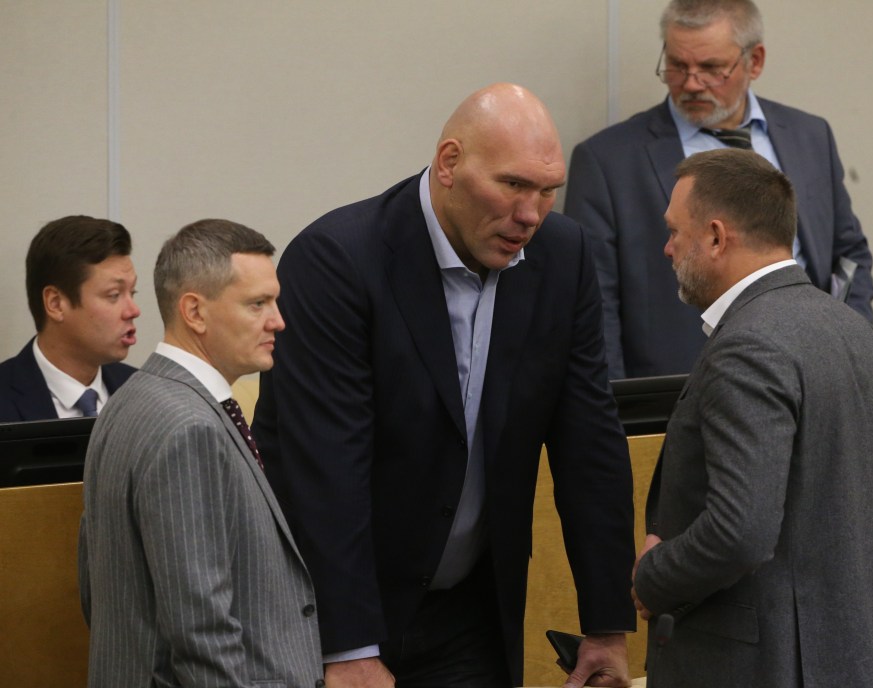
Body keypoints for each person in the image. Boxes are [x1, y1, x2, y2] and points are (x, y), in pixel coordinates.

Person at [253, 83, 636, 688]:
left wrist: (607, 624)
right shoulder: (337, 261)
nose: (531, 215)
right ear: (450, 163)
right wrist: (348, 645)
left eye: (546, 190)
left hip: (468, 613)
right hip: (336, 615)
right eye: (513, 185)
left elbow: (590, 445)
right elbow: (327, 470)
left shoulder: (564, 259)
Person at [632, 149, 873, 687]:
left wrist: (652, 577)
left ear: (714, 236)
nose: (667, 247)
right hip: (850, 659)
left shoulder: (747, 346)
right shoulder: (858, 335)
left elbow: (741, 531)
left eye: (674, 232)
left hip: (755, 667)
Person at [563, 0, 873, 379]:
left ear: (754, 61)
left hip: (813, 375)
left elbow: (849, 255)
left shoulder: (811, 136)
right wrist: (617, 409)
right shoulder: (607, 160)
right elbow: (594, 302)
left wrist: (847, 343)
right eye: (677, 65)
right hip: (684, 388)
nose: (691, 84)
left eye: (711, 68)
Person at [78, 219, 324, 687]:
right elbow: (200, 633)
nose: (278, 320)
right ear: (194, 311)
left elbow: (97, 588)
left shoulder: (128, 401)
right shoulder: (189, 427)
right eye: (258, 304)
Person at [0, 215, 140, 422]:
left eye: (133, 292)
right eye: (114, 295)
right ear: (55, 304)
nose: (133, 310)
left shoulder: (141, 392)